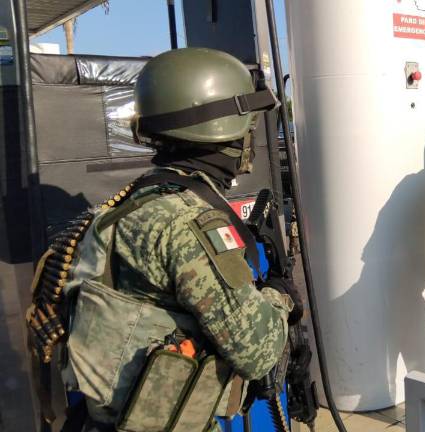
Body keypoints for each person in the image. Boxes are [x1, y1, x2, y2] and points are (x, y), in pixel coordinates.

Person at [31, 48, 296, 431]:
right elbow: (259, 351)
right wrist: (280, 296)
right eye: (247, 129)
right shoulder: (185, 220)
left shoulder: (136, 203)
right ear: (223, 130)